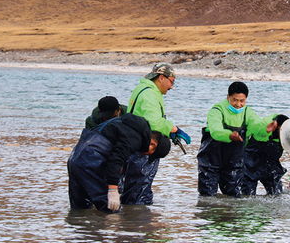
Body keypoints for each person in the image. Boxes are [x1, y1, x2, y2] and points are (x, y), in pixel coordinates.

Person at [67, 113, 171, 212]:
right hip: (90, 162)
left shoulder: (127, 124)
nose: (145, 155)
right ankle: (116, 230)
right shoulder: (136, 139)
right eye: (150, 154)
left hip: (75, 157)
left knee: (80, 208)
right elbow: (116, 159)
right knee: (111, 208)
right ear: (153, 144)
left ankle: (78, 228)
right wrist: (113, 189)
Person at [125, 62, 191, 205]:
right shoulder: (149, 94)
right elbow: (153, 122)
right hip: (142, 149)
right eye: (171, 81)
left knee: (133, 188)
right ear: (161, 77)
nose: (172, 86)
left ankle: (132, 217)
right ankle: (136, 220)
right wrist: (173, 129)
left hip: (134, 144)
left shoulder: (143, 89)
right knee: (139, 191)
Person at [197, 81, 268, 197]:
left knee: (234, 196)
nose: (238, 104)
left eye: (242, 101)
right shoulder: (217, 110)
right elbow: (215, 131)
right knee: (207, 197)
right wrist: (229, 135)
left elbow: (256, 125)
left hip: (233, 162)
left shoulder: (248, 112)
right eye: (235, 100)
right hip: (210, 160)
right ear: (228, 97)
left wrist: (266, 129)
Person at [242, 114, 290, 196]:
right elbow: (243, 138)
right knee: (247, 196)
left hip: (272, 165)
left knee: (277, 195)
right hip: (250, 162)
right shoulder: (262, 126)